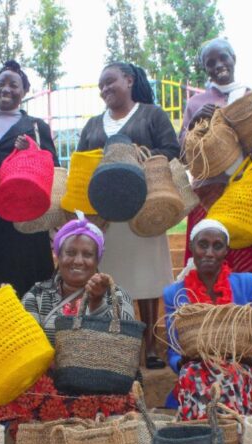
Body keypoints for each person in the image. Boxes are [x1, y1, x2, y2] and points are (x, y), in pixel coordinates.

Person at [77, 62, 180, 370]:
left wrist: (138, 156)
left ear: (129, 80)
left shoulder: (151, 115)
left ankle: (150, 343)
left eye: (110, 82)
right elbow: (81, 166)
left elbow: (172, 150)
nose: (105, 89)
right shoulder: (93, 125)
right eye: (101, 86)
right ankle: (119, 342)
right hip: (105, 217)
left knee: (148, 277)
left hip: (145, 210)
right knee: (112, 278)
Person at [0, 215, 137, 436]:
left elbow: (123, 344)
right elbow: (27, 341)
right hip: (51, 386)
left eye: (87, 254)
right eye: (70, 253)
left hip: (102, 385)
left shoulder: (116, 295)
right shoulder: (38, 294)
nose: (78, 260)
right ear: (58, 254)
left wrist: (96, 304)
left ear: (98, 259)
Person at [179, 38, 252, 301]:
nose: (218, 66)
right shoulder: (196, 103)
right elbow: (183, 152)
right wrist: (195, 122)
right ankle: (211, 324)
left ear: (233, 58)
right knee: (210, 260)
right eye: (210, 63)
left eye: (222, 58)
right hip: (211, 195)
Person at [163, 219, 252, 419]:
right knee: (192, 372)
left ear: (226, 251)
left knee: (232, 374)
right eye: (203, 245)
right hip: (197, 371)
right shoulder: (175, 293)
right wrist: (182, 361)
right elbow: (173, 349)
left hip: (242, 369)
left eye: (217, 246)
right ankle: (207, 433)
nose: (209, 252)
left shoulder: (246, 283)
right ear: (192, 247)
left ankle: (228, 431)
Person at [0, 60, 59, 297]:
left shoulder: (35, 126)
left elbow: (52, 165)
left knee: (26, 275)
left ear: (24, 91)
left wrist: (31, 147)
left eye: (14, 85)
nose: (6, 89)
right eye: (1, 83)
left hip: (24, 214)